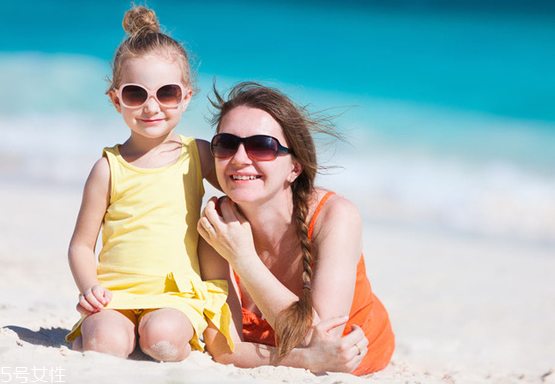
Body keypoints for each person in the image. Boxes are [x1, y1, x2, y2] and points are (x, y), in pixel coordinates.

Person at [65, 5, 232, 361]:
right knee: (104, 344)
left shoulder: (198, 154)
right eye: (135, 94)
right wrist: (90, 288)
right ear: (116, 100)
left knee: (163, 340)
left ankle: (153, 335)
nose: (151, 106)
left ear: (186, 97)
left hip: (175, 295)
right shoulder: (107, 168)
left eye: (167, 93)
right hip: (115, 295)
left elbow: (241, 188)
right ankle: (97, 338)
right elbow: (81, 245)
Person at [198, 82, 395, 375]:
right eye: (226, 144)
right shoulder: (218, 227)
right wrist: (305, 360)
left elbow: (318, 339)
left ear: (294, 168)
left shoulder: (334, 216)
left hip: (360, 355)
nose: (239, 159)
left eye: (261, 146)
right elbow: (224, 349)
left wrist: (243, 258)